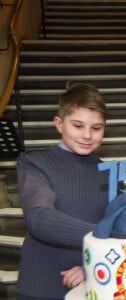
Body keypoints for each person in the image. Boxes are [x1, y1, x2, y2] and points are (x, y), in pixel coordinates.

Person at [16, 83, 109, 299]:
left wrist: (90, 269)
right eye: (78, 125)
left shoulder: (109, 172)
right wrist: (101, 235)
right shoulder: (34, 162)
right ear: (59, 124)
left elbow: (120, 231)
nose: (87, 135)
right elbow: (40, 219)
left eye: (96, 128)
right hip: (41, 287)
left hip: (93, 284)